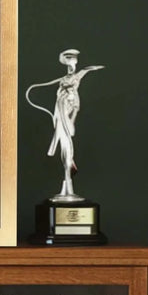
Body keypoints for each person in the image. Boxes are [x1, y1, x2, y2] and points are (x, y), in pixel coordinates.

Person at [25, 48, 103, 200]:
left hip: (68, 113)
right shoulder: (63, 81)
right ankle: (68, 178)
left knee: (68, 142)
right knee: (64, 143)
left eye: (73, 59)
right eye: (68, 59)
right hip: (61, 112)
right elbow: (57, 90)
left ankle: (68, 178)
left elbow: (84, 72)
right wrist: (64, 95)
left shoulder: (76, 78)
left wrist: (95, 68)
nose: (71, 63)